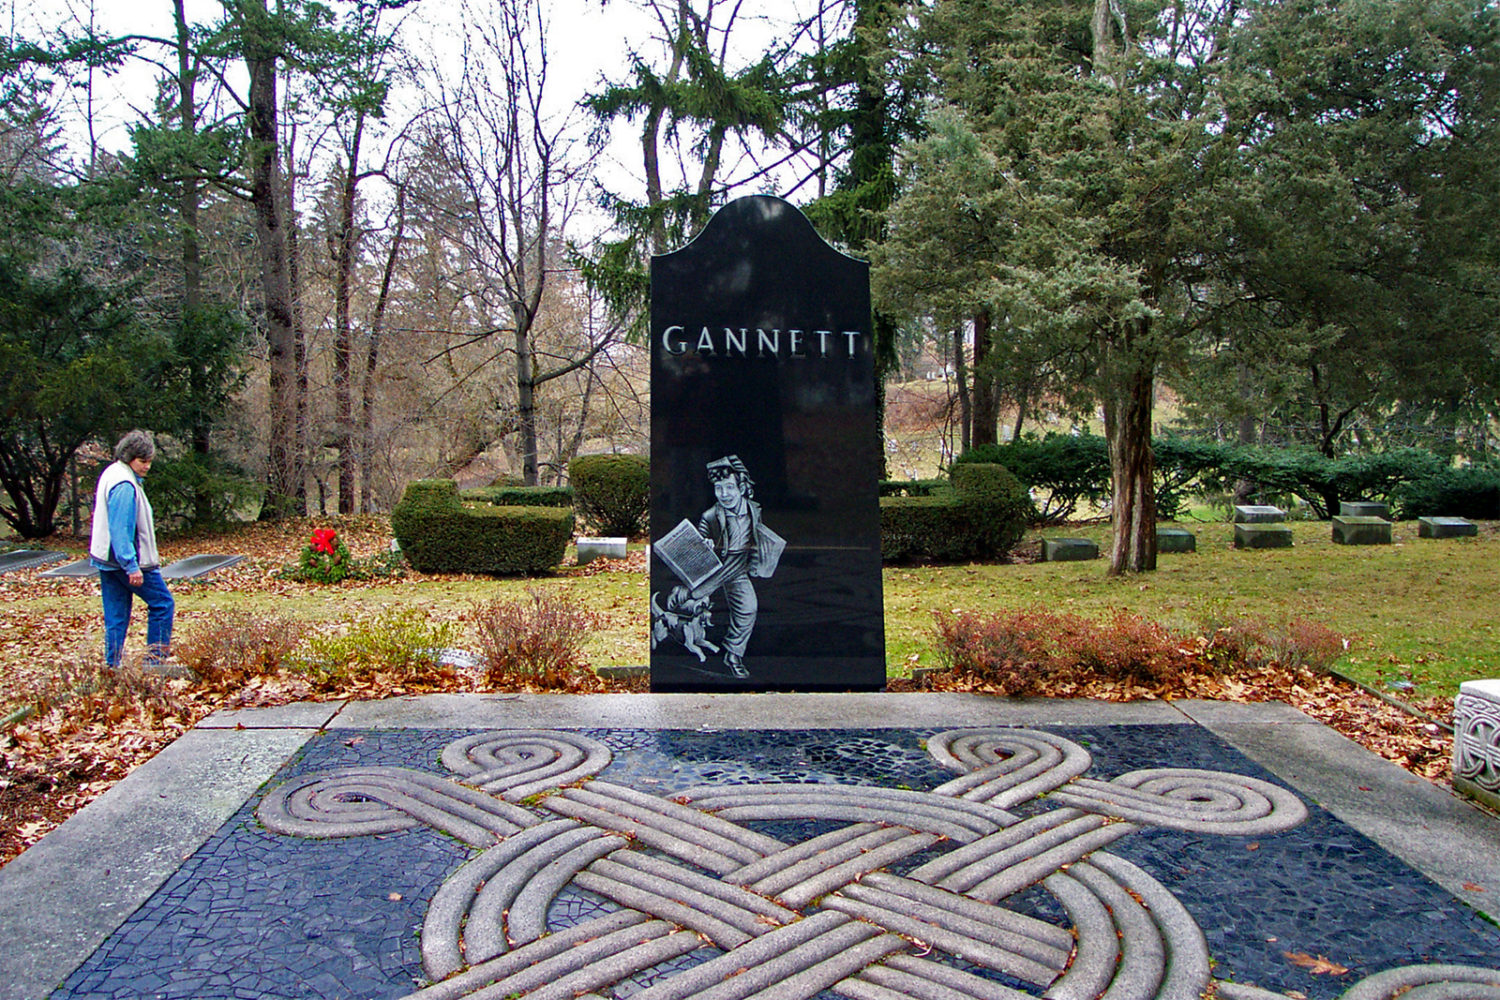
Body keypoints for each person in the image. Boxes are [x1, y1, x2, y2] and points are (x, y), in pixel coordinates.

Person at [90, 430, 174, 668]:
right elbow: (121, 529)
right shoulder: (125, 486)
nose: (147, 466)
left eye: (149, 461)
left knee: (116, 616)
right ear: (129, 457)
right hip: (126, 562)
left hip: (107, 560)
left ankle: (112, 666)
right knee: (162, 604)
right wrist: (131, 566)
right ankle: (154, 664)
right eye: (142, 461)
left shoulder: (113, 473)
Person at [691, 456, 779, 679]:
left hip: (739, 568)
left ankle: (733, 654)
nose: (724, 494)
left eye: (730, 487)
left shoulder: (753, 509)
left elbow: (759, 534)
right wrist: (706, 543)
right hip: (716, 566)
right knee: (690, 600)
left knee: (748, 608)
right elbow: (700, 537)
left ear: (742, 488)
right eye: (718, 488)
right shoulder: (710, 516)